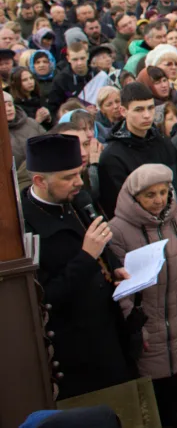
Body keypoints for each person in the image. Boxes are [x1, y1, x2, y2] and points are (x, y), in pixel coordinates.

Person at [21, 133, 135, 399]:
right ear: (39, 180)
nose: (77, 182)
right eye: (68, 177)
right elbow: (42, 297)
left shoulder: (76, 200)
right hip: (74, 350)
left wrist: (113, 265)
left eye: (79, 173)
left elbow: (99, 240)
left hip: (107, 330)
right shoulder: (26, 225)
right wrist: (86, 257)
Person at [108, 164, 177, 428]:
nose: (159, 200)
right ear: (134, 197)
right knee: (153, 374)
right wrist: (135, 326)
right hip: (147, 317)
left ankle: (176, 412)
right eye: (150, 195)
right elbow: (120, 287)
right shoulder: (117, 230)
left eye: (163, 192)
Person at [97, 82, 177, 217]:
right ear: (123, 111)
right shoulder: (112, 156)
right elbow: (118, 206)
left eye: (150, 108)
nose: (147, 115)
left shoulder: (164, 144)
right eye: (139, 110)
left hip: (174, 221)